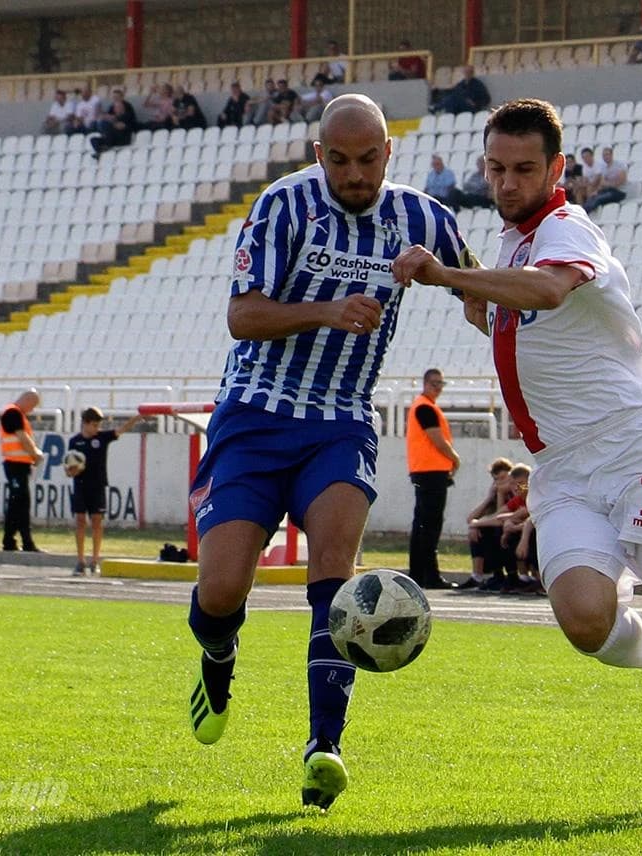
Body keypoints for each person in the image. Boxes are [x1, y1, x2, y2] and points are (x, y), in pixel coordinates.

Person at [391, 98, 642, 816]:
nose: (507, 183)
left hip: (640, 453)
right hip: (566, 468)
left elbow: (548, 289)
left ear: (558, 169)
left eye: (524, 169)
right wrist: (478, 301)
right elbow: (541, 333)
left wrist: (450, 278)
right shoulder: (510, 243)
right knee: (582, 621)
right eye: (496, 168)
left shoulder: (567, 228)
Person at [184, 94, 473, 812]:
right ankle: (218, 658)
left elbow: (477, 292)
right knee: (221, 591)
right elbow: (241, 316)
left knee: (335, 579)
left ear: (388, 154)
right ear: (319, 155)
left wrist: (463, 288)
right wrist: (328, 309)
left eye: (367, 159)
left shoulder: (423, 218)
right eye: (339, 160)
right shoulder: (282, 207)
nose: (354, 172)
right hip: (253, 416)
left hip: (340, 421)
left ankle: (324, 748)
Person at [66, 407, 146, 576]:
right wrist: (73, 470)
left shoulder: (102, 438)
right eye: (94, 425)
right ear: (85, 424)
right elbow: (69, 468)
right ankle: (80, 560)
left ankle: (95, 560)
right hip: (80, 486)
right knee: (80, 521)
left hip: (98, 486)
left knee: (97, 521)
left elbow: (121, 429)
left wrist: (138, 417)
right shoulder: (75, 441)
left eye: (98, 425)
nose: (96, 428)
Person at [406, 368, 462, 590]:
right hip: (431, 472)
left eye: (441, 384)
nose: (438, 388)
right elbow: (438, 440)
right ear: (425, 384)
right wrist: (455, 459)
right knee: (430, 525)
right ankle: (429, 575)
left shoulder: (425, 406)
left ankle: (419, 574)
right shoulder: (425, 407)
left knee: (422, 524)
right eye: (434, 383)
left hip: (425, 471)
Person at [0, 389, 44, 552]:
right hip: (15, 465)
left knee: (17, 503)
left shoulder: (16, 414)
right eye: (33, 405)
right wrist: (36, 454)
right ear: (27, 400)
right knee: (21, 503)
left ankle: (10, 541)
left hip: (19, 466)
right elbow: (22, 438)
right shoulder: (13, 413)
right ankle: (25, 542)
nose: (32, 410)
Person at [461, 457, 515, 589]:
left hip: (514, 531)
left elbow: (500, 519)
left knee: (493, 530)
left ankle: (513, 577)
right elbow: (471, 518)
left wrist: (476, 524)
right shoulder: (497, 494)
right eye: (496, 480)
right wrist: (490, 498)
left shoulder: (519, 489)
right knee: (477, 530)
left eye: (503, 478)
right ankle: (478, 576)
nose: (499, 483)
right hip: (500, 529)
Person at [91, 88, 138, 158]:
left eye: (117, 97)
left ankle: (105, 147)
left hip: (123, 136)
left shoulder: (128, 107)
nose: (115, 99)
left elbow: (128, 122)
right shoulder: (112, 107)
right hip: (112, 136)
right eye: (114, 97)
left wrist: (116, 122)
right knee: (93, 139)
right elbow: (108, 117)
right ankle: (101, 151)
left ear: (122, 97)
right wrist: (111, 120)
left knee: (105, 124)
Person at [583, 146, 628, 214]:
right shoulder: (604, 167)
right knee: (592, 197)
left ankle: (585, 213)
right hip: (608, 190)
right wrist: (597, 191)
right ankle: (582, 213)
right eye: (604, 155)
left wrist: (608, 183)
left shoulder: (620, 165)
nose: (605, 157)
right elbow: (602, 183)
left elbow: (621, 181)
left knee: (599, 198)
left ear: (611, 155)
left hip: (619, 191)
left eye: (607, 154)